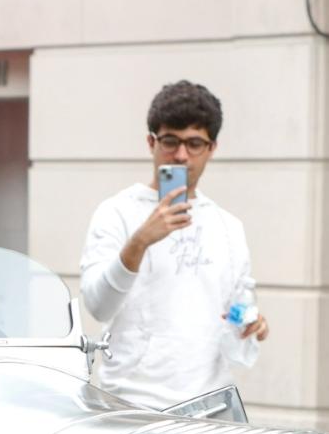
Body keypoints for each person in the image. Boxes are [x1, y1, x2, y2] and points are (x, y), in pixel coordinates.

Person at [79, 80, 267, 408]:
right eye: (170, 141)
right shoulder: (117, 213)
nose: (181, 155)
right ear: (151, 142)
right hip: (132, 406)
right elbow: (97, 306)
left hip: (213, 406)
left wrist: (251, 322)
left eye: (194, 143)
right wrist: (139, 243)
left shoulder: (228, 227)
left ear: (212, 148)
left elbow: (235, 310)